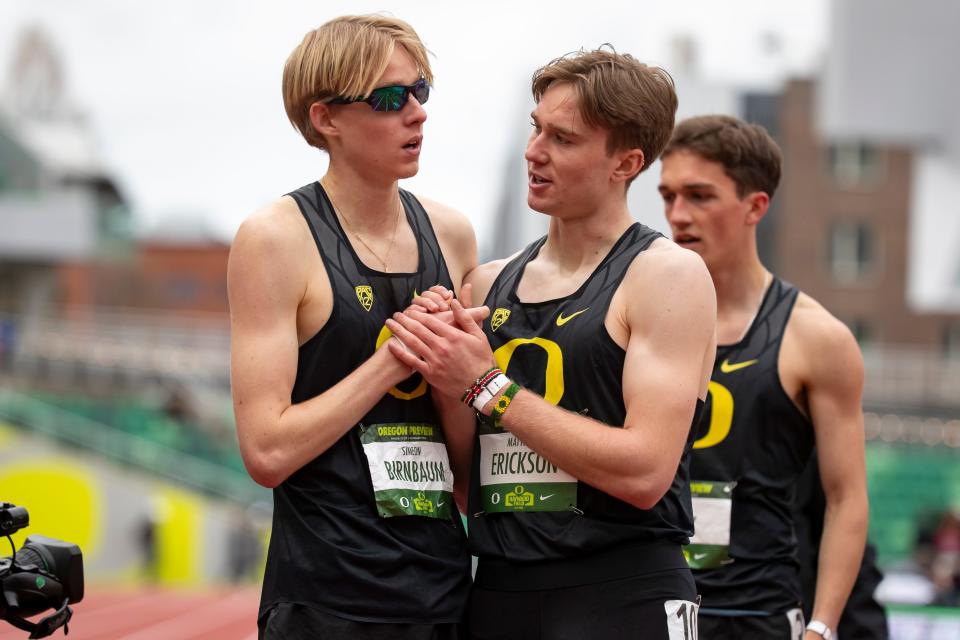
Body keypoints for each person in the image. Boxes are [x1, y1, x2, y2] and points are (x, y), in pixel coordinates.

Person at [386, 47, 717, 640]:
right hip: (499, 592)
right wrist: (441, 365)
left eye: (563, 139)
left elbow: (645, 473)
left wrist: (487, 386)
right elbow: (468, 485)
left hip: (621, 594)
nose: (534, 152)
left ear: (627, 162)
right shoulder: (487, 283)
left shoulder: (666, 276)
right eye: (536, 128)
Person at [227, 15, 483, 639]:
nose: (417, 113)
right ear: (326, 118)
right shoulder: (275, 240)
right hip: (325, 599)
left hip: (444, 594)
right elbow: (267, 450)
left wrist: (459, 372)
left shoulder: (452, 234)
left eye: (421, 91)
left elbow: (467, 469)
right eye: (390, 98)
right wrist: (394, 359)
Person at [658, 114, 869, 640]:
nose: (678, 215)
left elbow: (846, 498)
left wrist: (821, 627)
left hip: (757, 615)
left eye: (700, 196)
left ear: (755, 206)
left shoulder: (816, 337)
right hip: (650, 603)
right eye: (668, 196)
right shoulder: (637, 315)